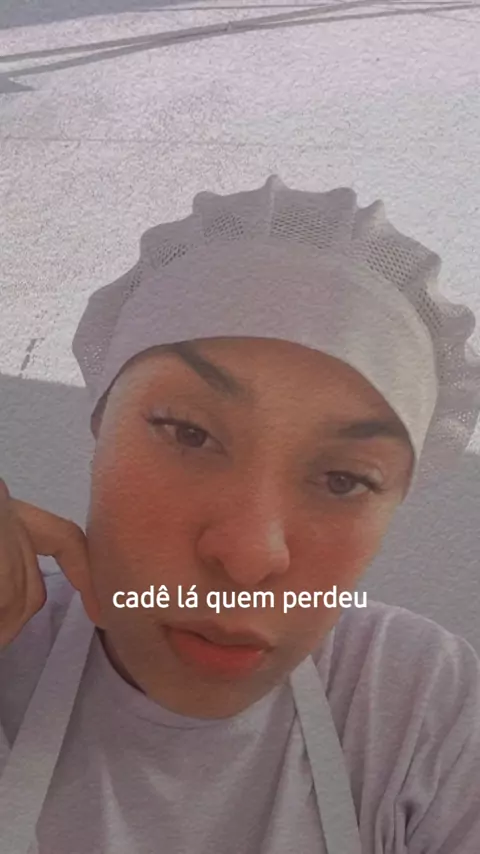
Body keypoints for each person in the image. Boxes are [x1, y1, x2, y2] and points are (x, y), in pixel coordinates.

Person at [1, 174, 480, 854]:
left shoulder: (415, 700)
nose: (250, 557)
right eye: (190, 434)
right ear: (99, 430)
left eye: (344, 479)